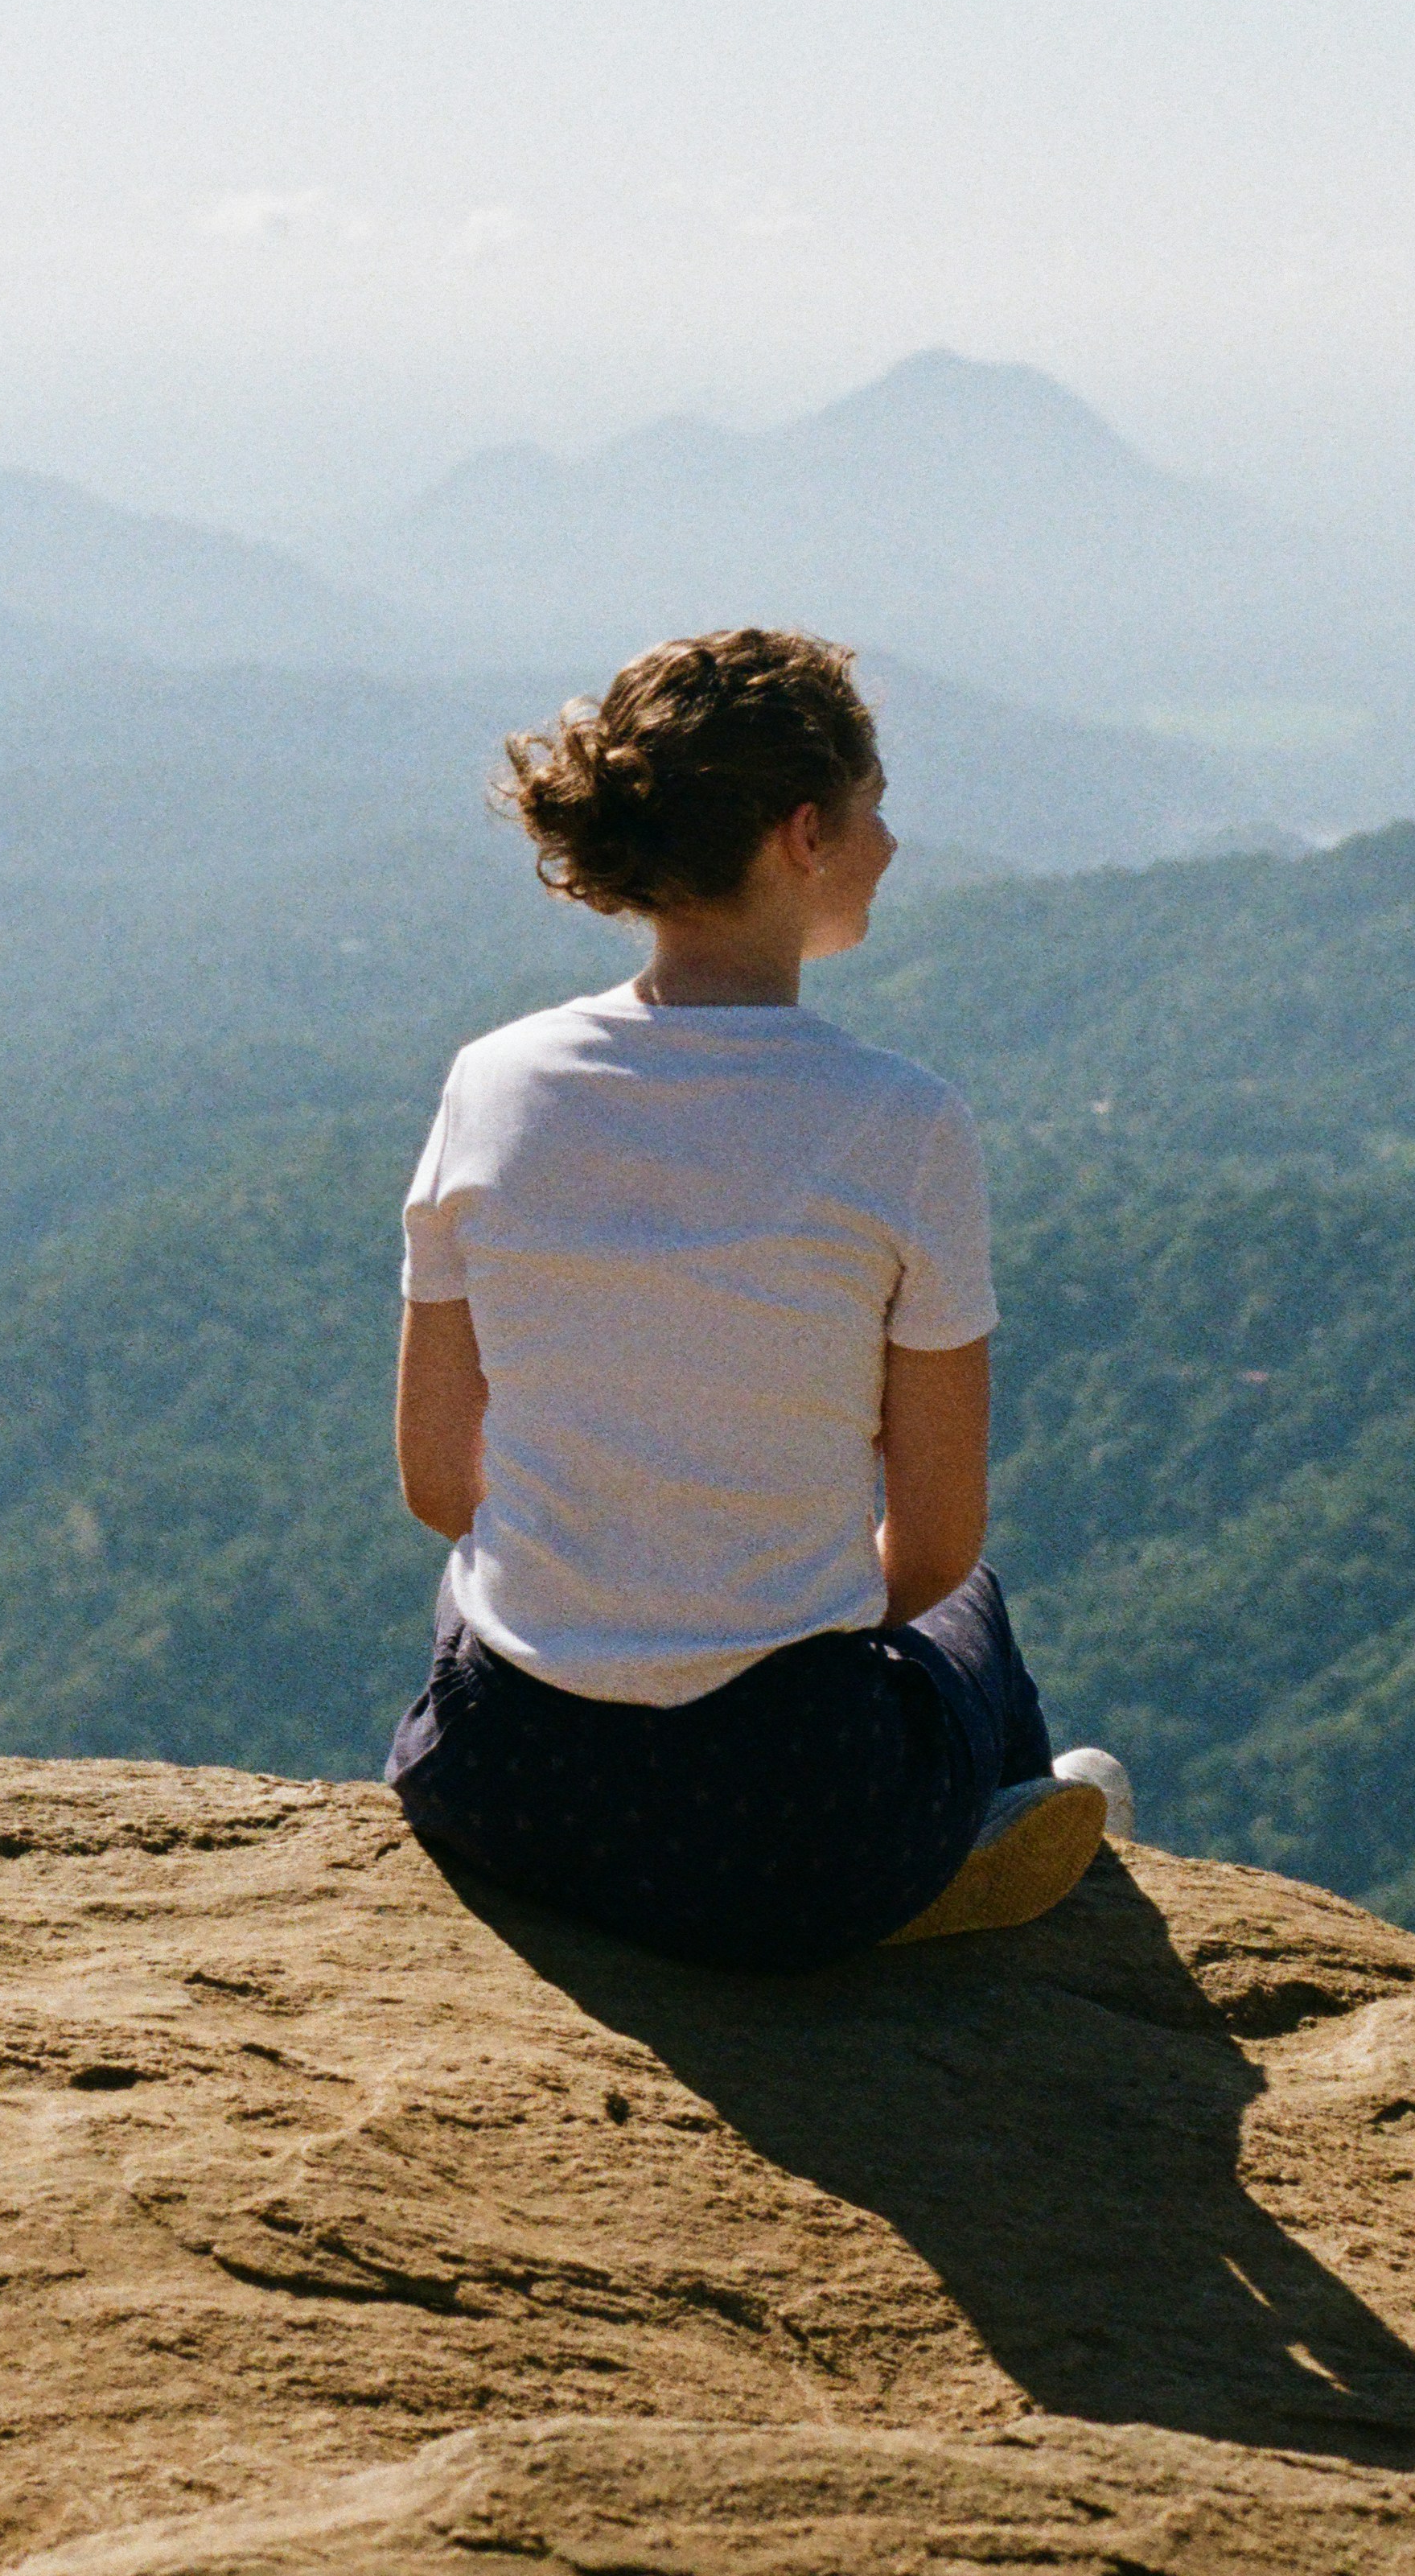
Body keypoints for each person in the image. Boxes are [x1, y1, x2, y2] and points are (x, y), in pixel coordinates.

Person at [376, 625, 1128, 1968]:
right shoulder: (900, 1126)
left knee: (488, 1579)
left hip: (499, 1783)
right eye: (872, 807)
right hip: (794, 1812)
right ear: (803, 834)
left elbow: (442, 1487)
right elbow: (936, 1548)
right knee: (977, 1612)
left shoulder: (489, 1082)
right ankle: (955, 1854)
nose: (888, 842)